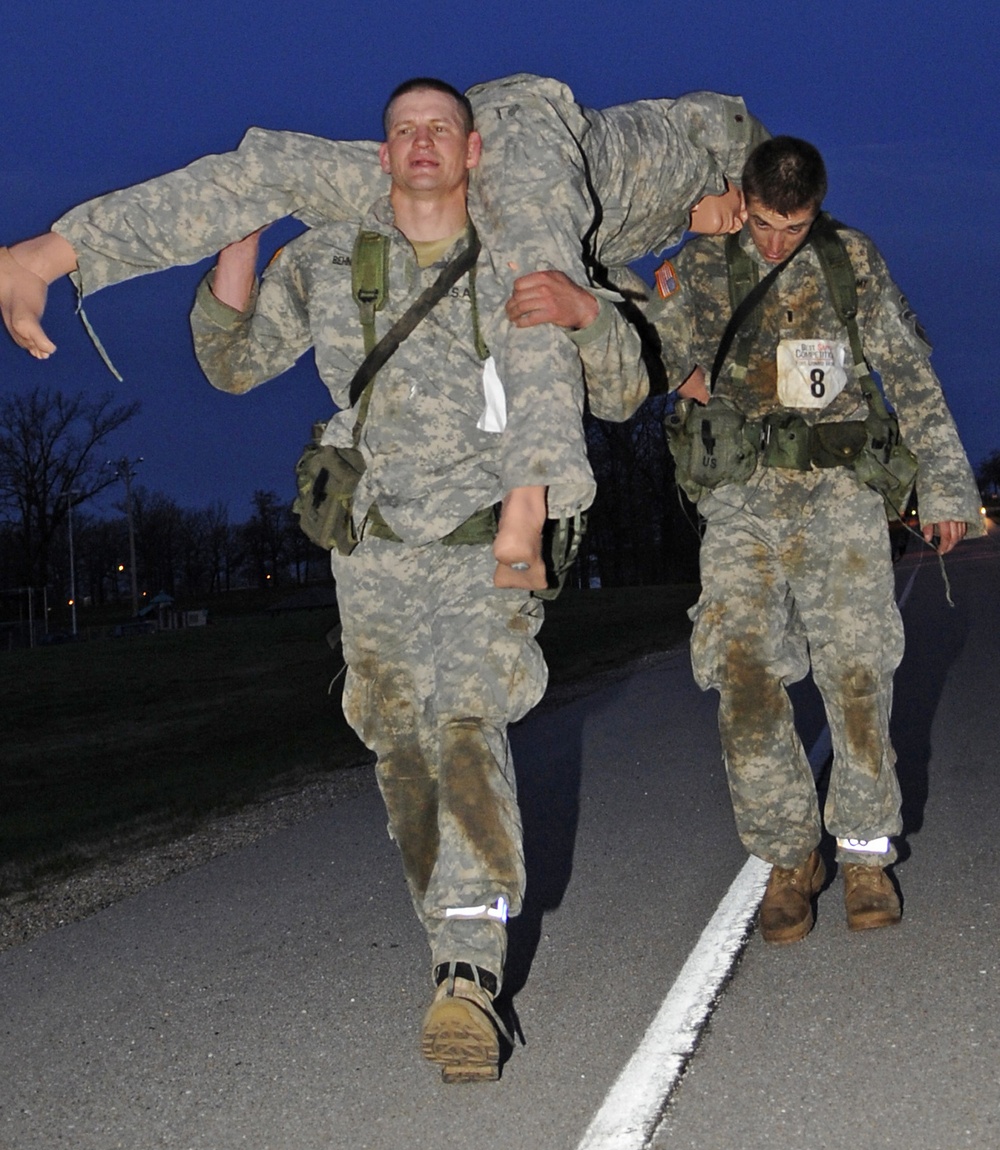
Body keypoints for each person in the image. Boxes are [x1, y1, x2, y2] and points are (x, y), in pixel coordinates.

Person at [185, 78, 643, 1082]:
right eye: (403, 132)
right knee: (398, 739)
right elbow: (231, 361)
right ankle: (451, 936)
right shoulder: (332, 257)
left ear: (474, 152)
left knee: (467, 725)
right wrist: (241, 225)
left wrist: (585, 314)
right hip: (373, 553)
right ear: (382, 155)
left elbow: (619, 386)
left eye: (440, 129)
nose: (421, 143)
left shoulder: (520, 250)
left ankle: (468, 971)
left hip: (489, 540)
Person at [0, 74, 760, 581]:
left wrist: (685, 369)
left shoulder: (607, 233)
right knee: (535, 288)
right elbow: (745, 163)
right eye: (740, 215)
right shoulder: (689, 144)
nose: (726, 229)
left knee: (271, 168)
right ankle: (530, 501)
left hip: (472, 165)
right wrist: (728, 192)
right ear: (734, 182)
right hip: (522, 143)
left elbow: (622, 333)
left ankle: (42, 256)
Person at [641, 136, 983, 943]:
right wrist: (663, 324)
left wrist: (943, 485)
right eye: (762, 222)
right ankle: (790, 857)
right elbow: (653, 357)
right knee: (743, 674)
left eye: (791, 228)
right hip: (741, 503)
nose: (773, 242)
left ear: (816, 210)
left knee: (858, 671)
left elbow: (907, 371)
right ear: (743, 198)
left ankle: (865, 853)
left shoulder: (849, 259)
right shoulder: (700, 263)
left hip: (839, 495)